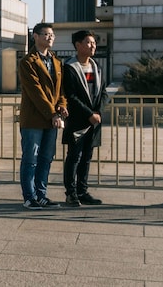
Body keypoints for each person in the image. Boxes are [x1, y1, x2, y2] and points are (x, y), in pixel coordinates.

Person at [17, 22, 67, 210]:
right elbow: (35, 92)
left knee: (46, 158)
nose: (50, 37)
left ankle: (41, 194)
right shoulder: (27, 62)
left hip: (52, 118)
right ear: (35, 36)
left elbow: (61, 90)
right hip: (34, 119)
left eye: (52, 35)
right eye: (46, 34)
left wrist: (62, 106)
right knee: (31, 159)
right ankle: (29, 197)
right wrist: (53, 113)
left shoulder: (55, 61)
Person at [62, 29, 108, 207]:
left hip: (94, 121)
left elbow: (103, 93)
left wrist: (98, 113)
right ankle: (71, 193)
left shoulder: (96, 67)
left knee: (87, 157)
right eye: (89, 42)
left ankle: (82, 191)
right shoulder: (70, 67)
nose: (93, 45)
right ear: (78, 45)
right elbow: (71, 96)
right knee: (74, 156)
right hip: (78, 121)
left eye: (94, 43)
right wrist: (89, 114)